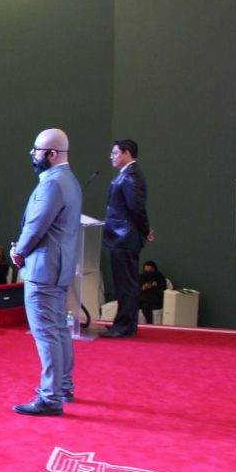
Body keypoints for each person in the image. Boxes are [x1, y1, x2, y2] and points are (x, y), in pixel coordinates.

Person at [10, 128, 82, 416]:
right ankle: (63, 387)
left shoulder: (52, 184)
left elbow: (36, 226)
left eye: (36, 150)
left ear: (52, 154)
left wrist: (19, 251)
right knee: (58, 329)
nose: (32, 154)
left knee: (46, 334)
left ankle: (50, 397)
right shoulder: (71, 181)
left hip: (43, 270)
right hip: (60, 268)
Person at [102, 138, 153, 338]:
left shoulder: (132, 176)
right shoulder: (127, 174)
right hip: (121, 237)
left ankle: (124, 326)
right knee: (123, 284)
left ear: (127, 153)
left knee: (126, 284)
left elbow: (137, 208)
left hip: (125, 238)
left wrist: (145, 230)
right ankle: (123, 323)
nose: (111, 157)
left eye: (115, 153)